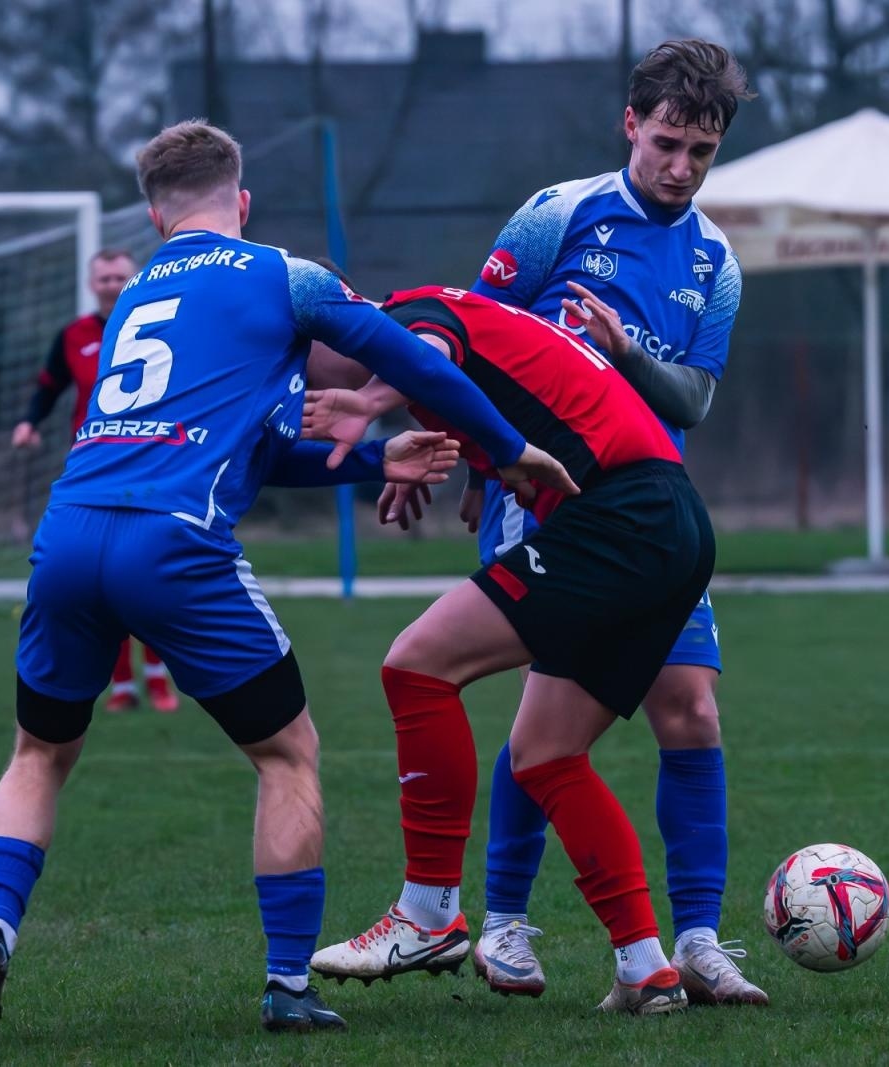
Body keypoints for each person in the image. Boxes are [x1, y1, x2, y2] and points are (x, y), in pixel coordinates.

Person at [0, 120, 576, 1040]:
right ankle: (286, 982)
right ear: (242, 202)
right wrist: (513, 450)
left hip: (70, 534)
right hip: (175, 543)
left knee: (37, 755)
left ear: (158, 218)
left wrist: (374, 459)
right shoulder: (284, 274)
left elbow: (263, 447)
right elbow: (403, 353)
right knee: (287, 752)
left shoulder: (128, 302)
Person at [380, 37, 764, 1006]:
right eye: (666, 142)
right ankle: (504, 920)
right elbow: (466, 336)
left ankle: (701, 938)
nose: (678, 167)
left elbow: (694, 401)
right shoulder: (560, 211)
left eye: (699, 152)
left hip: (650, 510)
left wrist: (625, 353)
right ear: (631, 123)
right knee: (543, 719)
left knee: (692, 708)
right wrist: (475, 462)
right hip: (542, 498)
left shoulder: (716, 260)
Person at [306, 283, 714, 1014]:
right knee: (547, 753)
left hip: (621, 516)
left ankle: (427, 913)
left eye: (295, 356)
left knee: (418, 663)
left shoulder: (409, 316)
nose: (298, 380)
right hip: (673, 520)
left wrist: (368, 404)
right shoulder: (458, 315)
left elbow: (426, 358)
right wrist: (477, 466)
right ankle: (646, 964)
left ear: (330, 324)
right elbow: (513, 390)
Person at [11, 248, 178, 714]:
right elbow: (49, 387)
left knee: (148, 575)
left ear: (134, 280)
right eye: (103, 277)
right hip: (92, 473)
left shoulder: (159, 325)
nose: (110, 284)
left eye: (118, 276)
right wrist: (29, 423)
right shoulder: (74, 336)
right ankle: (121, 686)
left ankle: (159, 680)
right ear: (91, 284)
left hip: (150, 467)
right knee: (103, 584)